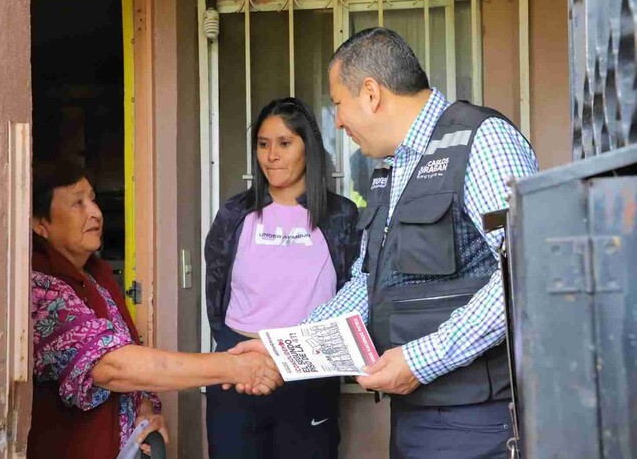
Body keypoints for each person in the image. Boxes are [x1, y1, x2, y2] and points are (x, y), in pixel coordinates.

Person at [231, 28, 539, 458]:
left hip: (477, 417)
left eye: (338, 103)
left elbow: (527, 273)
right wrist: (288, 346)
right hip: (415, 411)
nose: (336, 120)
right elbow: (369, 283)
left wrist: (420, 361)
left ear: (371, 94)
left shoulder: (482, 140)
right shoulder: (392, 170)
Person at [28, 161, 283, 459]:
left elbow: (128, 353)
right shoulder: (39, 289)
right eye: (77, 203)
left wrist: (146, 411)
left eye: (93, 199)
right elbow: (112, 366)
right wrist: (237, 366)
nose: (95, 213)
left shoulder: (97, 277)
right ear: (40, 224)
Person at [204, 97, 360, 459]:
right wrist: (233, 344)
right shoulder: (235, 213)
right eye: (263, 144)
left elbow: (354, 291)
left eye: (285, 143)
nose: (271, 155)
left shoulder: (340, 217)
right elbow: (216, 293)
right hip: (238, 365)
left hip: (308, 369)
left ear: (309, 149)